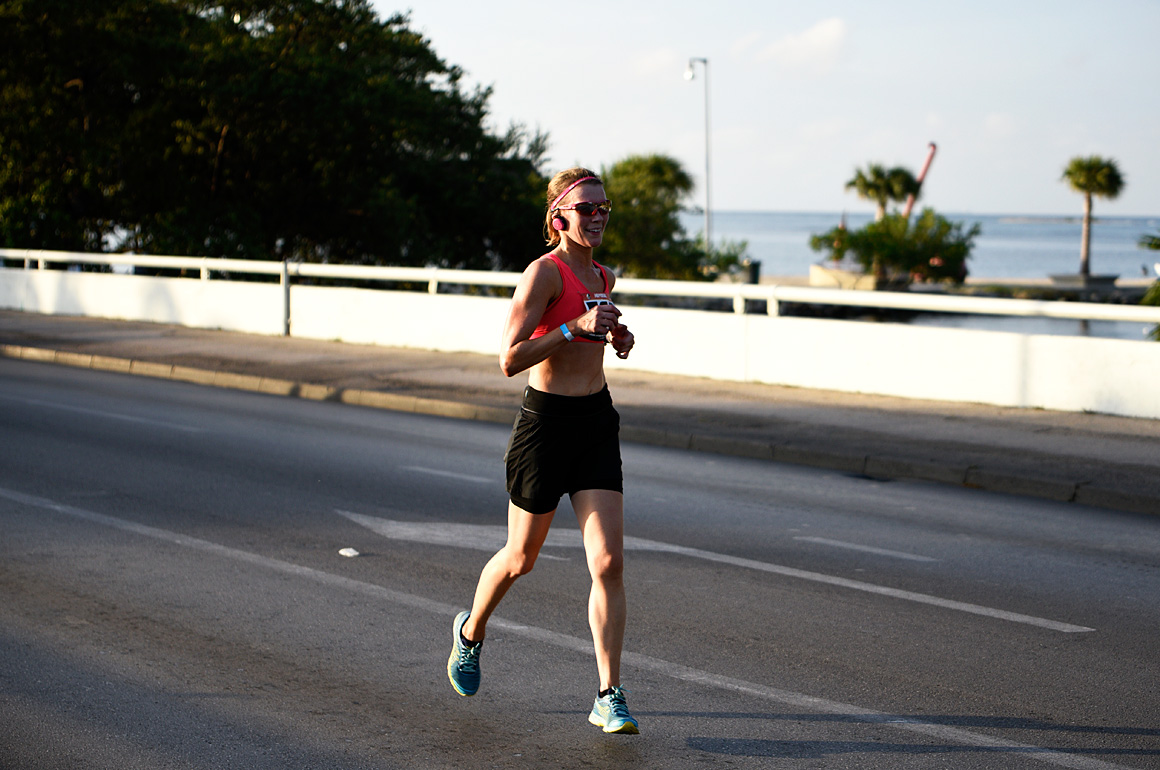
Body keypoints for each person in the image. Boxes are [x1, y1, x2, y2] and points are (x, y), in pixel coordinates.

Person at [446, 167, 639, 734]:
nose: (599, 216)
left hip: (596, 422)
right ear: (560, 217)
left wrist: (616, 337)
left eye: (605, 208)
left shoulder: (604, 274)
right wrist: (576, 328)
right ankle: (470, 632)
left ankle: (609, 693)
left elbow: (592, 337)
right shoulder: (543, 274)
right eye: (587, 209)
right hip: (545, 426)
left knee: (608, 562)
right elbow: (510, 359)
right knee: (520, 558)